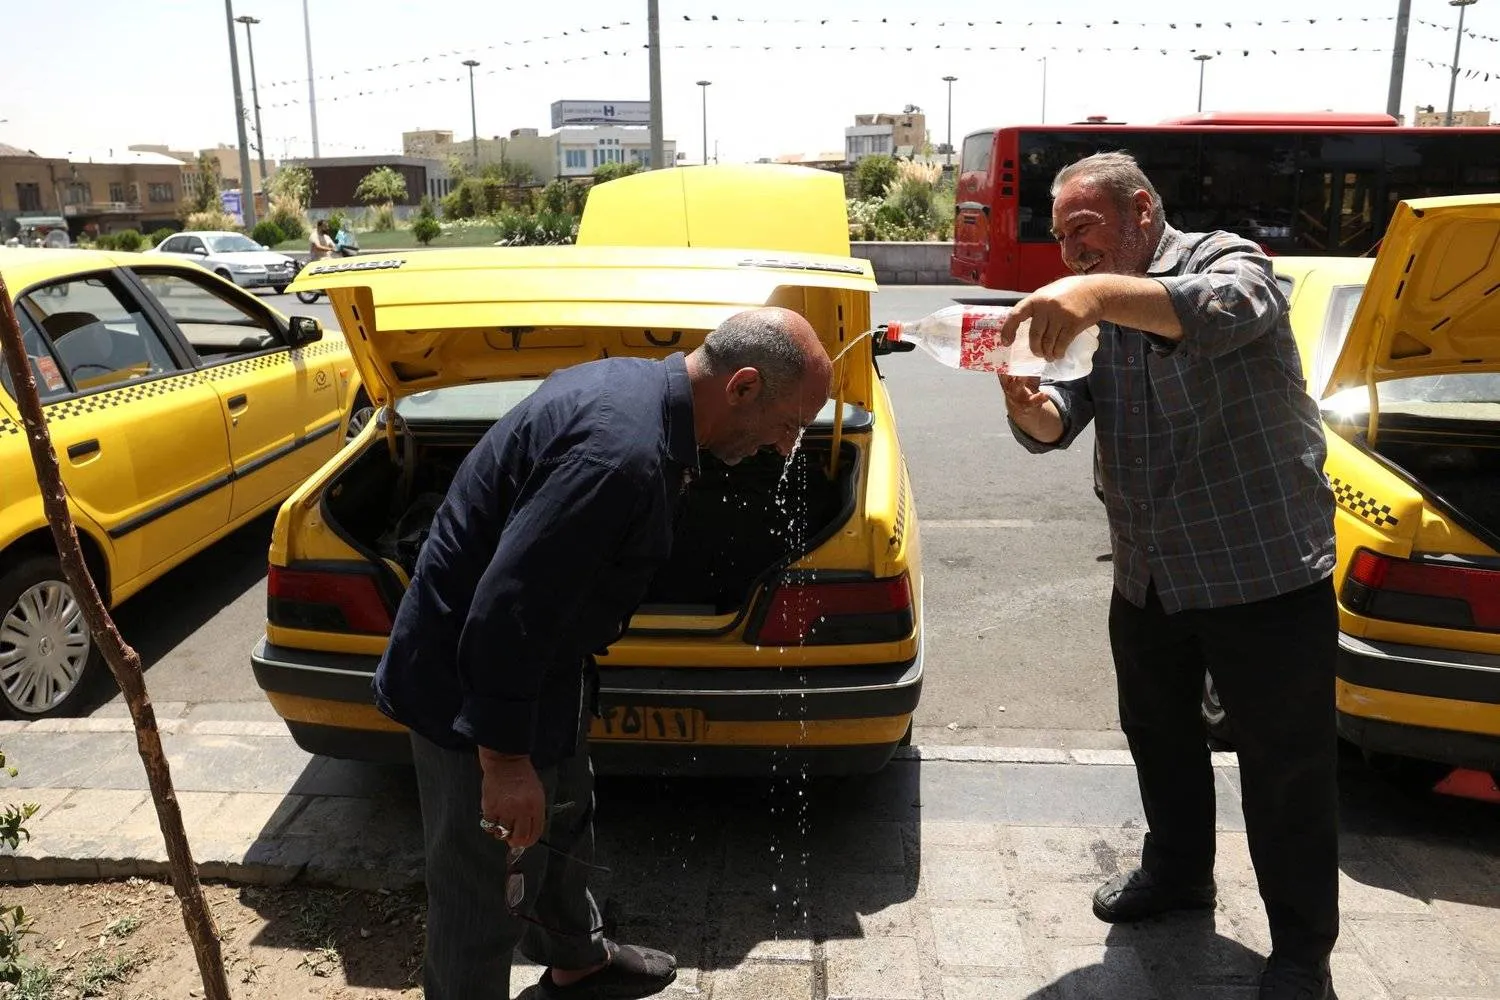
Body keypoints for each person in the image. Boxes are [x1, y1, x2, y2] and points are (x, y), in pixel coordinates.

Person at [374, 307, 833, 1000]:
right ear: (741, 387)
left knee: (563, 812)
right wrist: (503, 762)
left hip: (540, 667)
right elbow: (507, 611)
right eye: (789, 424)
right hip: (467, 684)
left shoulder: (648, 397)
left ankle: (578, 962)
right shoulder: (620, 454)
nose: (784, 446)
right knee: (481, 886)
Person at [999, 152, 1338, 1000]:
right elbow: (1059, 419)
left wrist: (1095, 296)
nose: (1072, 253)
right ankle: (1180, 873)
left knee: (1283, 767)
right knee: (1159, 736)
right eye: (1062, 238)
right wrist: (1022, 403)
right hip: (1149, 573)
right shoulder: (1097, 309)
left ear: (1141, 210)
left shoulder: (1225, 263)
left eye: (1086, 230)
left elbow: (1229, 313)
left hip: (1262, 572)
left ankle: (1302, 948)